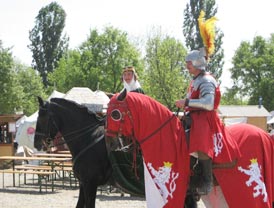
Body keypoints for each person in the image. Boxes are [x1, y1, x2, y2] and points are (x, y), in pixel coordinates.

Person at [175, 49, 240, 194]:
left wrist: (186, 101)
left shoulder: (206, 80)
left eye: (189, 63)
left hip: (205, 119)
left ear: (198, 63)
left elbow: (209, 103)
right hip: (194, 117)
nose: (187, 66)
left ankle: (207, 179)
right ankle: (190, 174)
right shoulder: (195, 80)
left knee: (200, 142)